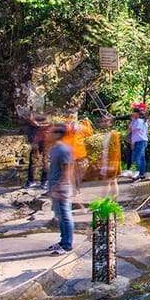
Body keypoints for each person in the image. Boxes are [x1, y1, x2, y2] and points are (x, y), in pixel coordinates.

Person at [45, 123, 74, 255]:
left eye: (50, 132)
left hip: (62, 188)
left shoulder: (64, 149)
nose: (47, 134)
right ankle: (63, 240)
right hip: (54, 186)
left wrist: (60, 187)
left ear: (58, 134)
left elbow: (67, 169)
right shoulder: (54, 148)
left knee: (65, 216)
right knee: (59, 216)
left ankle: (68, 245)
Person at [61, 108, 93, 195]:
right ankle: (76, 190)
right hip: (77, 152)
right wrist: (86, 122)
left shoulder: (63, 126)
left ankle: (70, 190)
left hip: (68, 152)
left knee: (69, 172)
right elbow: (89, 133)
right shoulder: (80, 126)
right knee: (77, 173)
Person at [21, 109, 50, 189]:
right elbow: (29, 133)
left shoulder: (42, 118)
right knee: (33, 161)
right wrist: (32, 143)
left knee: (45, 161)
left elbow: (48, 126)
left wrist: (38, 125)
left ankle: (44, 181)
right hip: (35, 143)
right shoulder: (28, 124)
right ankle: (31, 181)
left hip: (44, 142)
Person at [98, 115, 122, 199]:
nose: (103, 123)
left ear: (111, 123)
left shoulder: (114, 134)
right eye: (102, 121)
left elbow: (115, 151)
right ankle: (114, 201)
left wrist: (112, 164)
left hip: (111, 162)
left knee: (108, 181)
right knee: (112, 181)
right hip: (106, 160)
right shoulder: (107, 134)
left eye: (106, 121)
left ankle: (102, 200)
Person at [129, 107, 149, 177]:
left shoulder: (138, 121)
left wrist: (132, 120)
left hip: (139, 142)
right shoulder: (144, 121)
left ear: (136, 113)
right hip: (143, 141)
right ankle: (141, 174)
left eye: (133, 112)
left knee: (135, 158)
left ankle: (135, 175)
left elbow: (130, 128)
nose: (132, 113)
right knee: (142, 158)